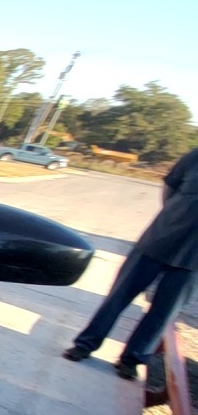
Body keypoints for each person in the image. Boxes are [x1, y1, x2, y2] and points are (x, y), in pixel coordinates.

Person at [63, 148, 198, 379]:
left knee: (163, 311)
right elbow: (170, 186)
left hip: (193, 260)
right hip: (158, 241)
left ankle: (132, 360)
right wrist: (174, 216)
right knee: (119, 296)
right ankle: (85, 345)